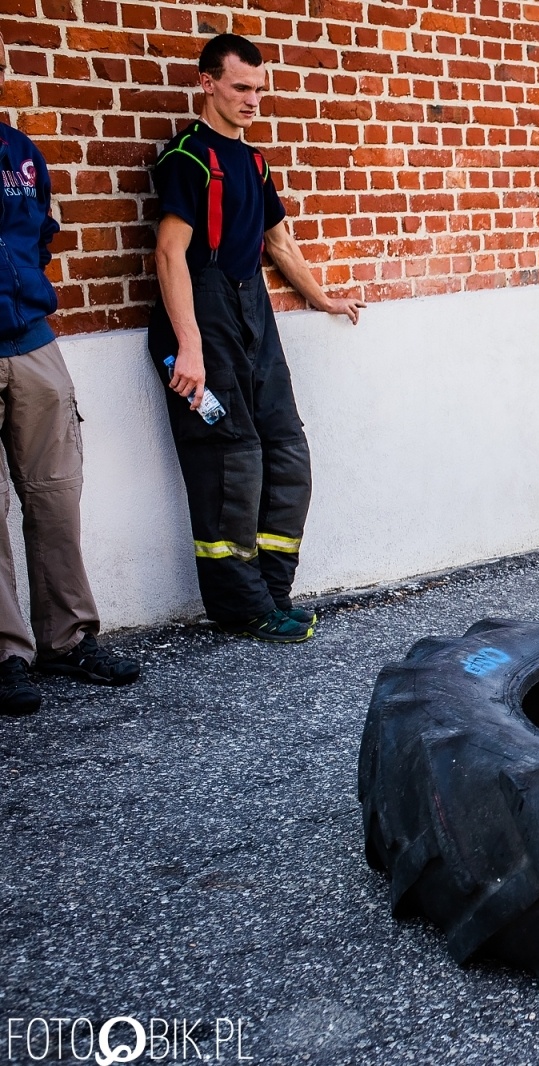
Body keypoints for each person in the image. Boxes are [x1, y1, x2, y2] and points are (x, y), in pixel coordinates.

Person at [148, 34, 363, 642]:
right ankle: (240, 606)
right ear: (207, 83)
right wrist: (188, 347)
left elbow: (279, 243)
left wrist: (323, 298)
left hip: (254, 310)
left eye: (258, 90)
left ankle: (274, 592)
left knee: (287, 449)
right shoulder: (189, 159)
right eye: (241, 87)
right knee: (230, 459)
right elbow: (170, 253)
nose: (252, 100)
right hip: (203, 312)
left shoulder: (255, 161)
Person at [0, 31, 140, 716]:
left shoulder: (20, 154)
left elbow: (40, 233)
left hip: (31, 341)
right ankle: (6, 655)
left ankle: (68, 638)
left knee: (55, 494)